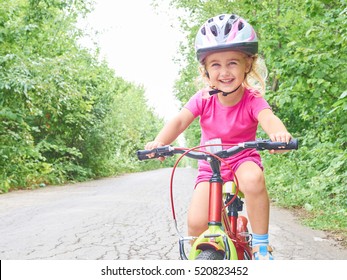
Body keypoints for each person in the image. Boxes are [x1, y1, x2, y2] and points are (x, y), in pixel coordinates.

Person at [145, 13, 292, 260]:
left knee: (253, 180)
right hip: (210, 165)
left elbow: (268, 118)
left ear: (248, 64)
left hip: (241, 159)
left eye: (233, 62)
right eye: (216, 64)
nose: (224, 71)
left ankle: (261, 247)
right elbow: (180, 120)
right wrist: (161, 142)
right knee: (196, 223)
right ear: (206, 70)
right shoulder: (203, 99)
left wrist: (279, 133)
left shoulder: (252, 99)